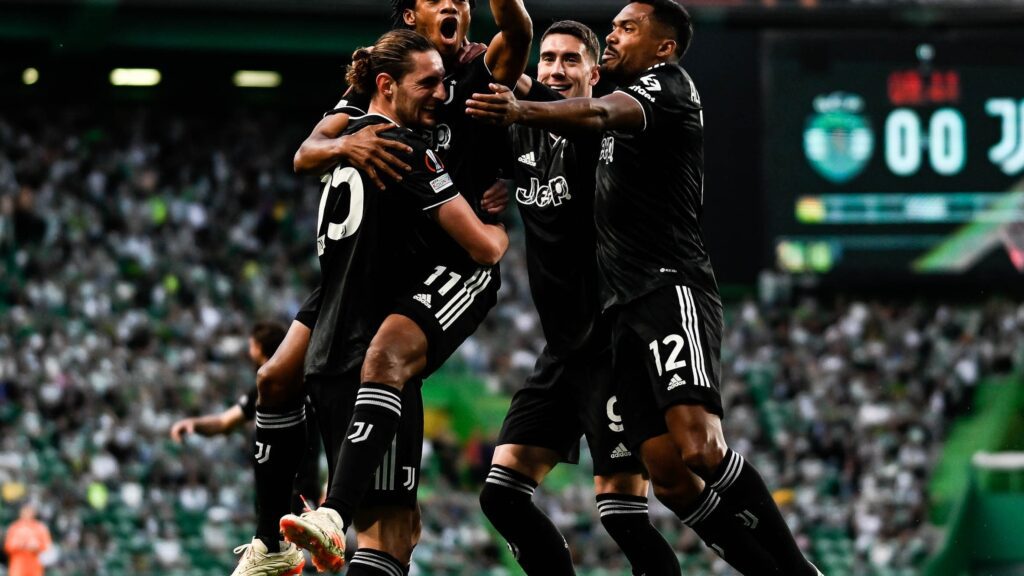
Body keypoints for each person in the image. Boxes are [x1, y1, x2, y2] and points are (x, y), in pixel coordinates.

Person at [467, 1, 821, 574]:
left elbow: (588, 111)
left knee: (685, 462)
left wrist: (518, 103)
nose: (613, 34)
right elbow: (529, 105)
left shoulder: (659, 89)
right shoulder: (549, 131)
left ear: (660, 47)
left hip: (661, 288)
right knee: (666, 474)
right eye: (612, 27)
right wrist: (501, 173)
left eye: (625, 28)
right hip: (600, 322)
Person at [279, 29, 510, 576]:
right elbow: (479, 246)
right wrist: (500, 227)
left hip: (330, 350)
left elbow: (304, 153)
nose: (441, 94)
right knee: (383, 535)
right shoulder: (401, 146)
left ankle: (283, 530)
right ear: (387, 85)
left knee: (398, 531)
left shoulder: (346, 137)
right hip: (372, 360)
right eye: (427, 83)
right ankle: (329, 514)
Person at [478, 21, 679, 575]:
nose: (556, 70)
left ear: (596, 73)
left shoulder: (605, 137)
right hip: (562, 348)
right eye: (548, 60)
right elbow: (507, 98)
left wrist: (521, 94)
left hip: (615, 345)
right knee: (501, 495)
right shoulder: (523, 134)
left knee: (622, 515)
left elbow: (568, 110)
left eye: (571, 61)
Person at [170, 322, 321, 576]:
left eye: (251, 346)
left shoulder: (287, 386)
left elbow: (224, 423)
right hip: (279, 505)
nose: (248, 352)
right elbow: (224, 423)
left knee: (289, 566)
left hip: (297, 501)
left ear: (260, 348)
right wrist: (194, 424)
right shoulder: (275, 387)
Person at [4, 504, 52, 576]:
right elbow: (7, 546)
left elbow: (46, 545)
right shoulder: (14, 527)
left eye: (29, 511)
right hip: (18, 563)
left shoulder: (40, 527)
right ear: (21, 513)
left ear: (34, 513)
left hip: (34, 562)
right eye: (25, 511)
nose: (27, 514)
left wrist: (36, 547)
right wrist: (19, 545)